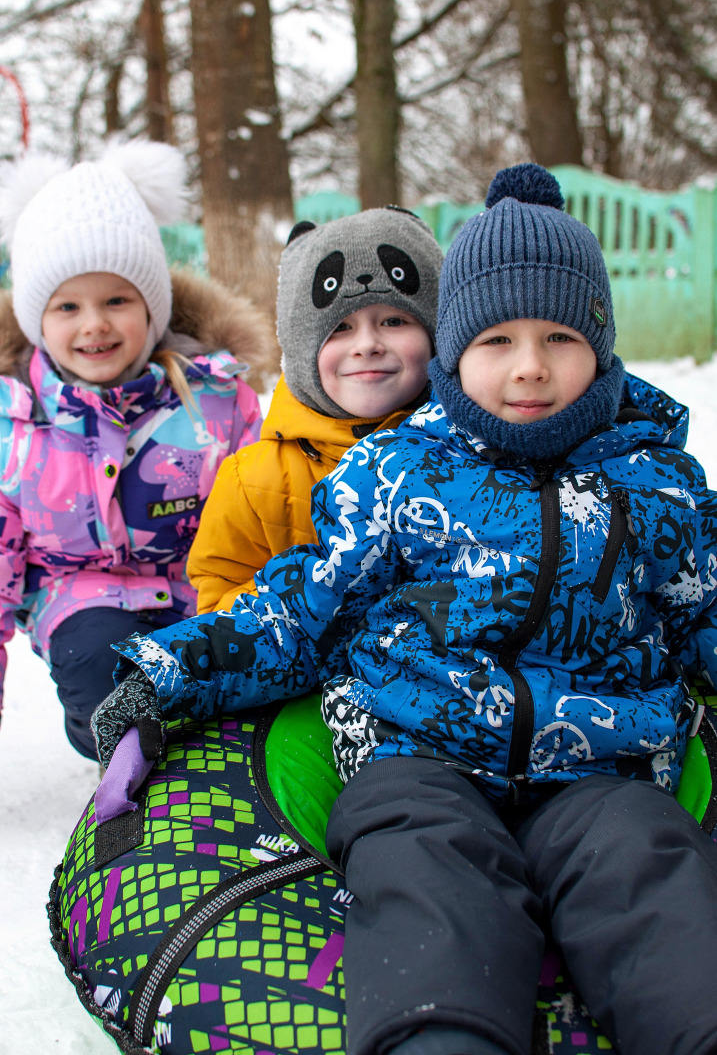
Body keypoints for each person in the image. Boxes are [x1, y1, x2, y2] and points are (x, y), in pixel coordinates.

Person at [92, 164, 717, 1055]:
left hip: (600, 772)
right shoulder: (396, 474)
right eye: (497, 338)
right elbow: (298, 609)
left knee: (648, 869)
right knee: (424, 872)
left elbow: (707, 607)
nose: (530, 367)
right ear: (455, 348)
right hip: (418, 759)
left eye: (560, 338)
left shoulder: (653, 484)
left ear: (603, 347)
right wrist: (165, 673)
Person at [0, 139, 273, 761]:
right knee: (105, 673)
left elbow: (256, 518)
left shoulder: (216, 402)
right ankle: (134, 772)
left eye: (116, 300)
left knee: (233, 684)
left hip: (202, 590)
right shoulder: (14, 423)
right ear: (36, 321)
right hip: (83, 599)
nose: (93, 324)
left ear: (152, 306)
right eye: (67, 306)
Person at [187, 206, 444, 612]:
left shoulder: (470, 454)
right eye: (340, 328)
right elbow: (219, 605)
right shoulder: (254, 482)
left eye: (394, 321)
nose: (367, 345)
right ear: (301, 348)